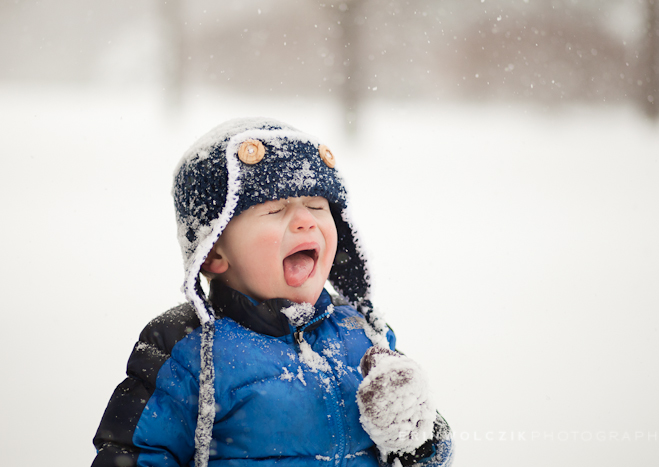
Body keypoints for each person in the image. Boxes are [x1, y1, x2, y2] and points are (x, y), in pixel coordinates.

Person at [92, 118, 454, 467]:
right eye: (274, 209)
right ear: (213, 251)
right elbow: (134, 454)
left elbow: (429, 455)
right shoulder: (187, 351)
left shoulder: (363, 337)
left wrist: (415, 436)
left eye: (317, 206)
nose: (306, 220)